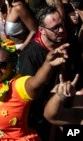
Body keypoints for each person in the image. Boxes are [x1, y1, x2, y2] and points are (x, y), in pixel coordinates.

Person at [19, 5, 83, 140]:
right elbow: (30, 93)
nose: (61, 30)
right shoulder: (30, 55)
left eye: (62, 25)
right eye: (55, 28)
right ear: (41, 30)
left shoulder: (69, 43)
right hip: (44, 115)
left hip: (73, 106)